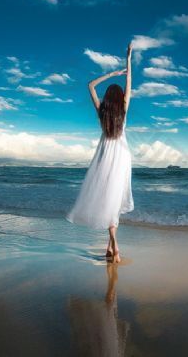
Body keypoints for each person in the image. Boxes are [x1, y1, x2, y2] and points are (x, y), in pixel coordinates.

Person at [66, 43, 134, 263]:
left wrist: (112, 73)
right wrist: (128, 61)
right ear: (121, 96)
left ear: (107, 98)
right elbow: (130, 82)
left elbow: (90, 85)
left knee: (109, 201)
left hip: (105, 156)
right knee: (113, 202)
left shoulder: (101, 111)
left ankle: (109, 248)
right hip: (122, 157)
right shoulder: (123, 109)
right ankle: (115, 248)